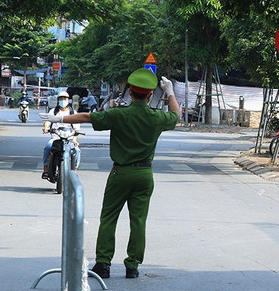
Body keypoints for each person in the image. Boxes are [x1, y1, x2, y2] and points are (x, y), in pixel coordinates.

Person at [43, 70, 179, 279]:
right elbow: (175, 115)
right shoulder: (156, 118)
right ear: (150, 95)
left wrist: (60, 117)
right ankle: (132, 266)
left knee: (109, 218)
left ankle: (104, 264)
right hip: (144, 174)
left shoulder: (119, 114)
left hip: (121, 173)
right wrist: (170, 92)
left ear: (130, 93)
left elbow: (88, 116)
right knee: (139, 221)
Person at [41, 90, 80, 178]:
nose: (63, 101)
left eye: (65, 99)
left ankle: (75, 170)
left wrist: (74, 139)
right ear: (58, 100)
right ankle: (46, 168)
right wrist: (46, 128)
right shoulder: (53, 111)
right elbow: (47, 121)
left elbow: (76, 128)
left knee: (76, 151)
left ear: (68, 100)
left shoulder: (73, 113)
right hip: (56, 138)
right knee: (48, 147)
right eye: (61, 99)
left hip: (69, 139)